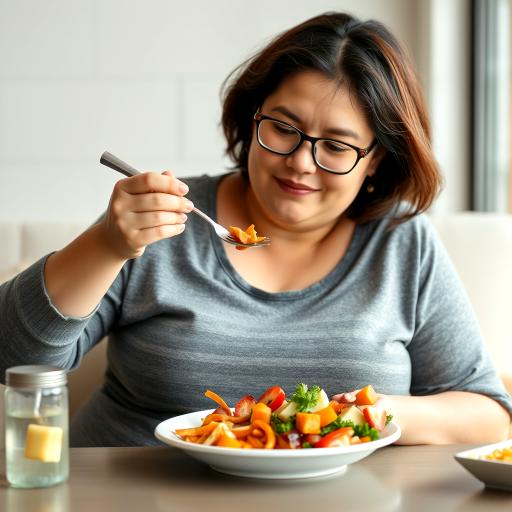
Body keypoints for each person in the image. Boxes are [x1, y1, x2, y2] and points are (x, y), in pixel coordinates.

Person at [1, 12, 510, 447]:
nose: (301, 164)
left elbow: (489, 413)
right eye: (284, 129)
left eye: (336, 146)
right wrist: (106, 245)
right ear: (252, 118)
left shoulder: (401, 243)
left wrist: (365, 414)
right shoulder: (163, 219)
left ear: (375, 159)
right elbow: (12, 360)